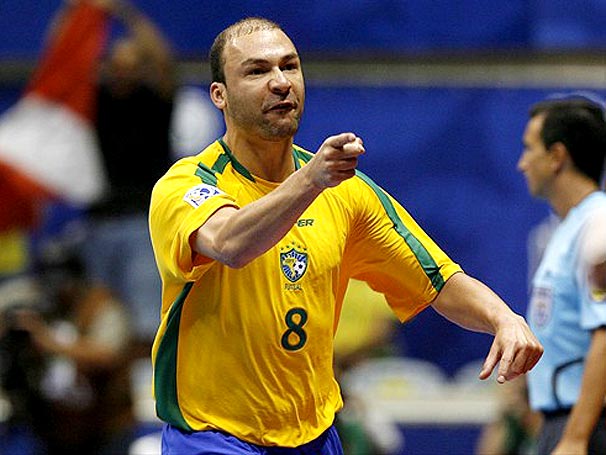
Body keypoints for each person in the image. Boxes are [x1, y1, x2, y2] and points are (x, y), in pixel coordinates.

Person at [148, 17, 543, 453]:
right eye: (257, 71)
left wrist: (503, 319)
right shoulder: (186, 184)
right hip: (213, 437)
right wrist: (311, 181)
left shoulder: (348, 193)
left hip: (315, 437)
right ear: (219, 95)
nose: (281, 82)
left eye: (290, 66)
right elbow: (230, 244)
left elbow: (438, 280)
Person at [79, 0, 176, 347]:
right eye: (116, 60)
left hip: (140, 224)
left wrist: (123, 12)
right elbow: (69, 64)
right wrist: (85, 13)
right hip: (98, 224)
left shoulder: (153, 104)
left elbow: (164, 63)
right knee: (100, 325)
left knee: (145, 323)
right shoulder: (96, 101)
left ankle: (145, 393)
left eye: (131, 61)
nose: (123, 67)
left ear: (140, 68)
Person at [518, 95, 606, 455]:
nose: (521, 163)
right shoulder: (566, 229)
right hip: (563, 420)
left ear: (557, 157)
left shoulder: (598, 226)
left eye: (529, 149)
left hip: (589, 427)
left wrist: (576, 436)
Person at [3, 239, 135, 455]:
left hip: (106, 426)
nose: (58, 292)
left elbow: (107, 355)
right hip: (53, 425)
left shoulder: (102, 305)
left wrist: (48, 341)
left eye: (63, 284)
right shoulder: (35, 300)